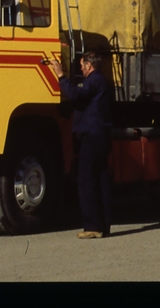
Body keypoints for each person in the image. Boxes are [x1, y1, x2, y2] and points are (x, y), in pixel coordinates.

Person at [46, 52, 113, 238]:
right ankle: (103, 226)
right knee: (100, 180)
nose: (81, 69)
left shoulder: (93, 80)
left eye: (82, 66)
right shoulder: (101, 81)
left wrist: (60, 75)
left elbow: (75, 93)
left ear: (89, 66)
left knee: (86, 180)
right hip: (101, 134)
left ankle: (92, 226)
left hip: (91, 136)